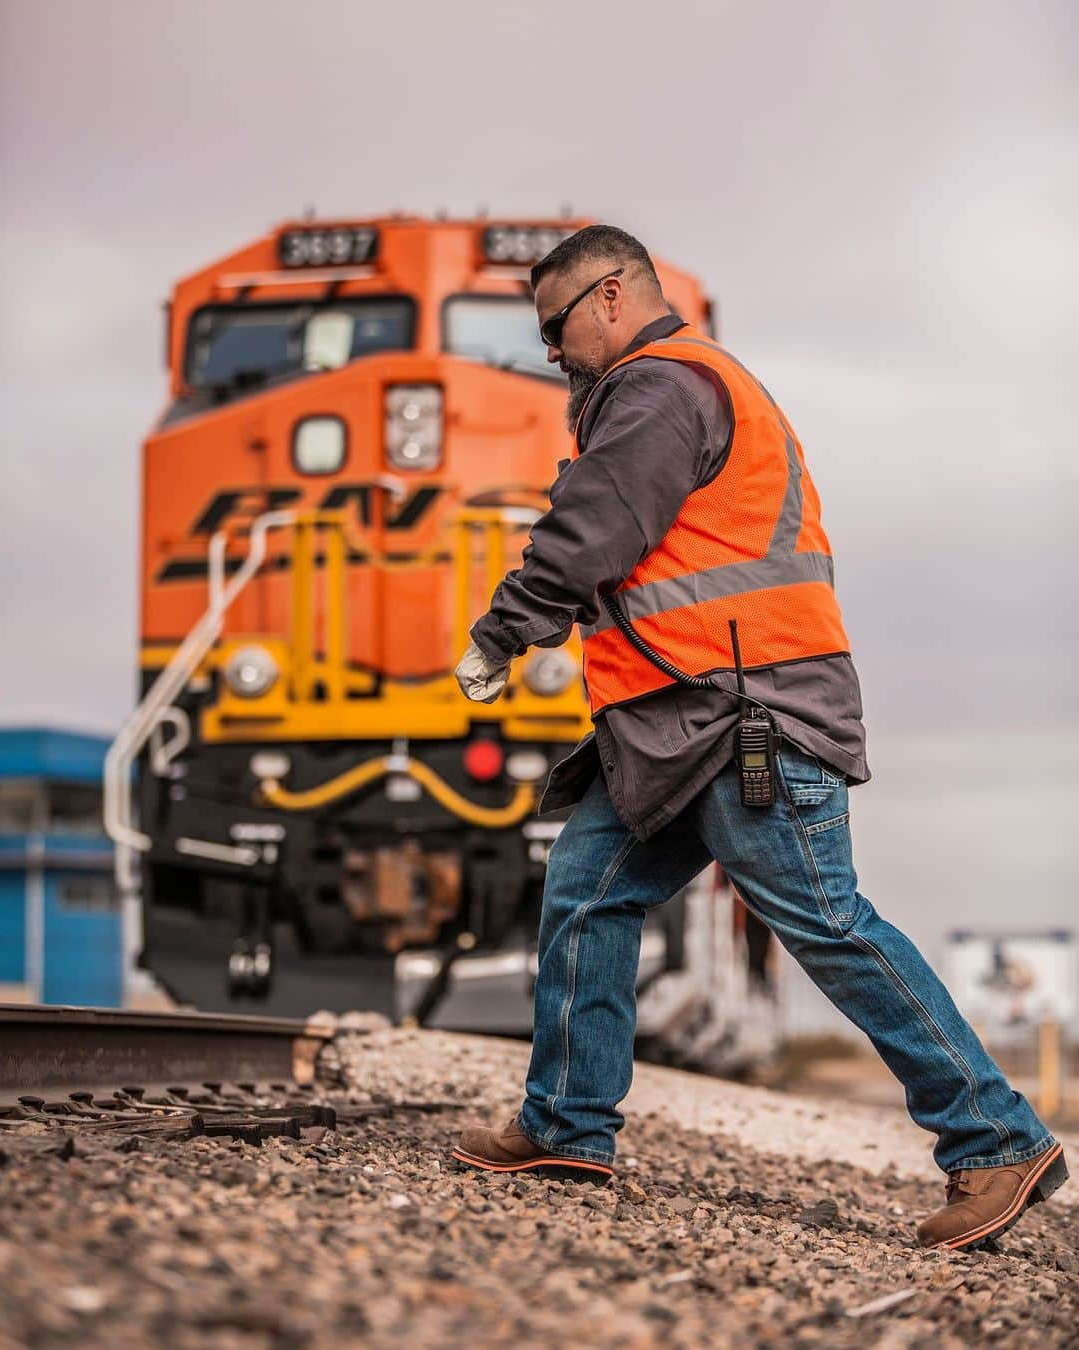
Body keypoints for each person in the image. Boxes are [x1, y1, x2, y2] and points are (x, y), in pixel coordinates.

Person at [450, 224, 1067, 1250]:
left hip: (747, 721)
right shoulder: (686, 385)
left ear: (610, 297)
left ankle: (999, 1139)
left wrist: (505, 630)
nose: (549, 351)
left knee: (827, 921)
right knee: (587, 891)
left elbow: (594, 524)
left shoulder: (661, 387)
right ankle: (567, 1125)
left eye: (554, 327)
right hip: (679, 726)